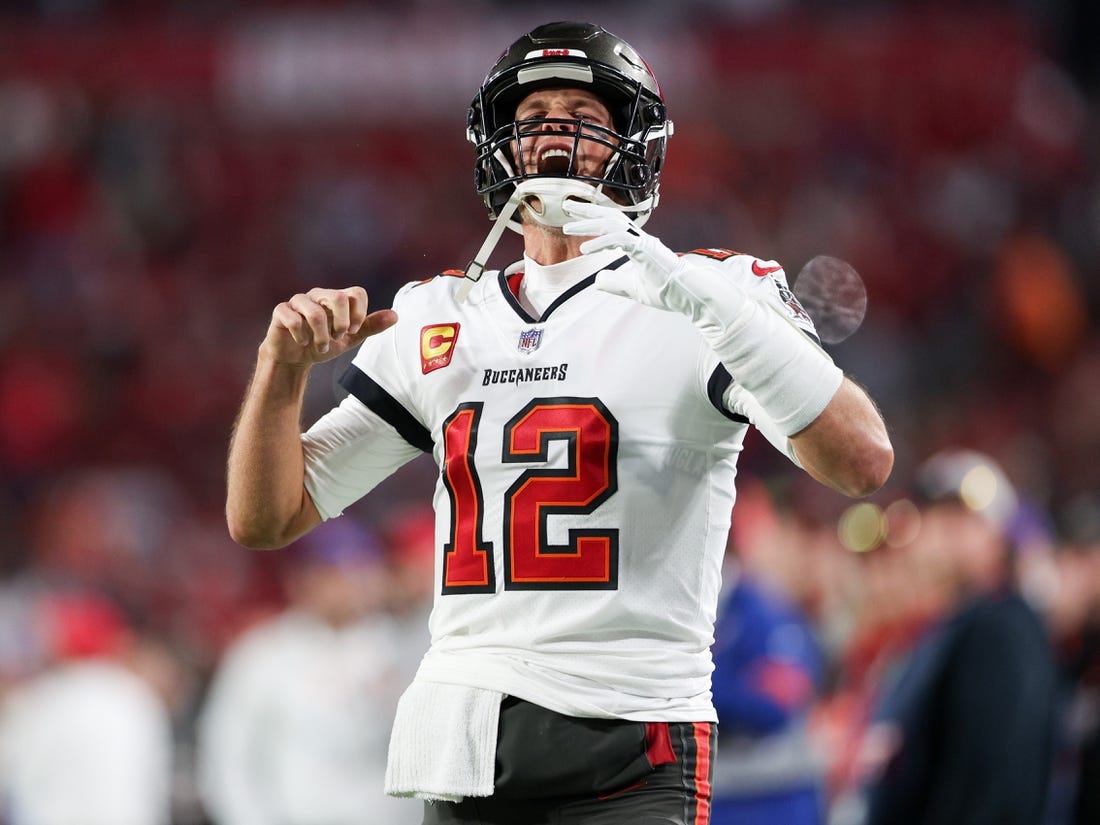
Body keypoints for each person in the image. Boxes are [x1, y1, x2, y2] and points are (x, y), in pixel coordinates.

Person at [225, 21, 893, 824]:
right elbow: (266, 517)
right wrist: (280, 370)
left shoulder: (713, 296)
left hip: (633, 737)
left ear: (633, 142)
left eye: (585, 112)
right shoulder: (442, 313)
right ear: (499, 143)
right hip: (467, 740)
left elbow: (862, 460)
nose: (556, 131)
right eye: (534, 113)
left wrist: (709, 305)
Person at [857, 449, 1058, 825]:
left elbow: (992, 779)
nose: (943, 535)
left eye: (962, 520)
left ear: (999, 539)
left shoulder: (1002, 627)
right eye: (935, 517)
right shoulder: (951, 626)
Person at [196, 518, 423, 825]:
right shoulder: (265, 653)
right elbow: (227, 756)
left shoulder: (406, 648)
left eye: (361, 570)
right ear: (301, 579)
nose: (351, 584)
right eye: (334, 573)